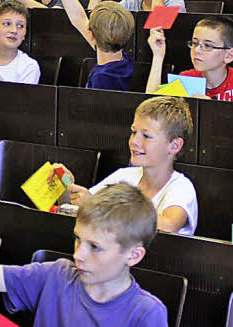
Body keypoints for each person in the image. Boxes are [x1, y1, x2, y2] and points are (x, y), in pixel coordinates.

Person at [0, 163, 166, 326]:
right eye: (78, 239)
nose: (79, 255)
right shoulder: (56, 275)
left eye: (95, 247)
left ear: (134, 255)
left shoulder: (146, 313)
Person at [59, 96, 198, 236]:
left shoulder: (181, 187)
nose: (134, 141)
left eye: (146, 136)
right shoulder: (123, 176)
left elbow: (169, 225)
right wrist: (65, 186)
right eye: (133, 132)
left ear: (174, 146)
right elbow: (81, 207)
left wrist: (98, 206)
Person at [52, 0, 135, 91]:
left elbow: (81, 19)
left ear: (91, 34)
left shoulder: (102, 78)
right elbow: (79, 17)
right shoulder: (123, 59)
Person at [146, 17, 233, 104]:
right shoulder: (186, 78)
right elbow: (152, 108)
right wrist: (158, 56)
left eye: (207, 45)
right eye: (195, 43)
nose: (197, 50)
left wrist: (209, 108)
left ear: (229, 55)